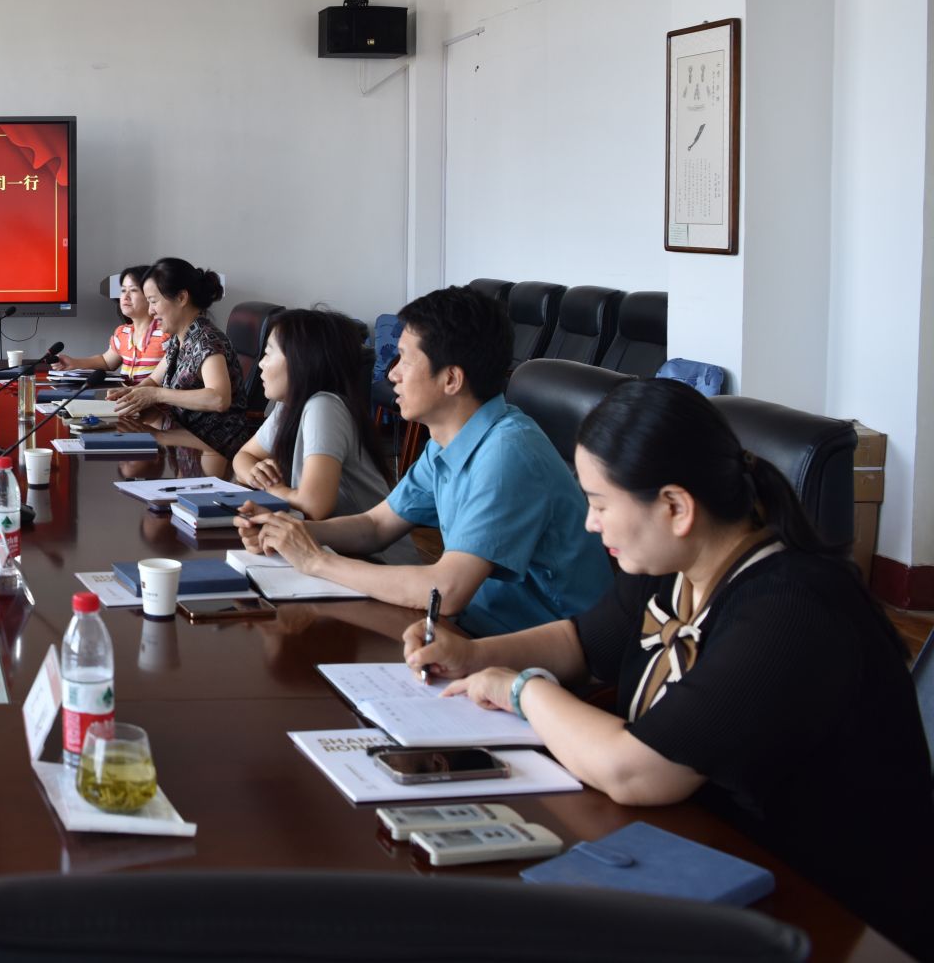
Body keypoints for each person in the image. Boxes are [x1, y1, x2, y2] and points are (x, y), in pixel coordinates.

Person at [404, 379, 934, 957]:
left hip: (829, 915)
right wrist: (475, 655)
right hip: (703, 856)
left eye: (600, 504)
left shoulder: (791, 610)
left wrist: (520, 689)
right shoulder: (673, 563)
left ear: (676, 507)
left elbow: (638, 772)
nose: (590, 524)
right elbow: (583, 642)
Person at [238, 286, 609, 636]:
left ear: (451, 379)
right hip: (474, 626)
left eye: (405, 359)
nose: (392, 374)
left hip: (537, 647)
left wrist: (317, 561)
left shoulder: (507, 454)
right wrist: (286, 532)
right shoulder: (447, 441)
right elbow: (375, 526)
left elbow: (447, 589)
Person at [231, 307, 392, 520]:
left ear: (301, 360)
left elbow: (314, 506)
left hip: (364, 541)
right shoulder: (289, 406)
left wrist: (272, 488)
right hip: (325, 535)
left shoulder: (324, 407)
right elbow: (243, 456)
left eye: (268, 353)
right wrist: (255, 474)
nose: (261, 363)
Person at [110, 257, 255, 457]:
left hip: (213, 450)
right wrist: (130, 394)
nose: (150, 311)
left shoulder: (206, 340)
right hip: (185, 440)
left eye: (153, 301)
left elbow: (219, 399)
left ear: (181, 298)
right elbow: (154, 380)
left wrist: (156, 395)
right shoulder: (179, 339)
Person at [54, 265, 166, 380]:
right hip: (124, 391)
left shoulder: (166, 332)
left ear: (151, 295)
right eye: (123, 290)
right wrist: (74, 362)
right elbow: (107, 362)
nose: (125, 296)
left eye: (133, 290)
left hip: (149, 392)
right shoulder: (122, 333)